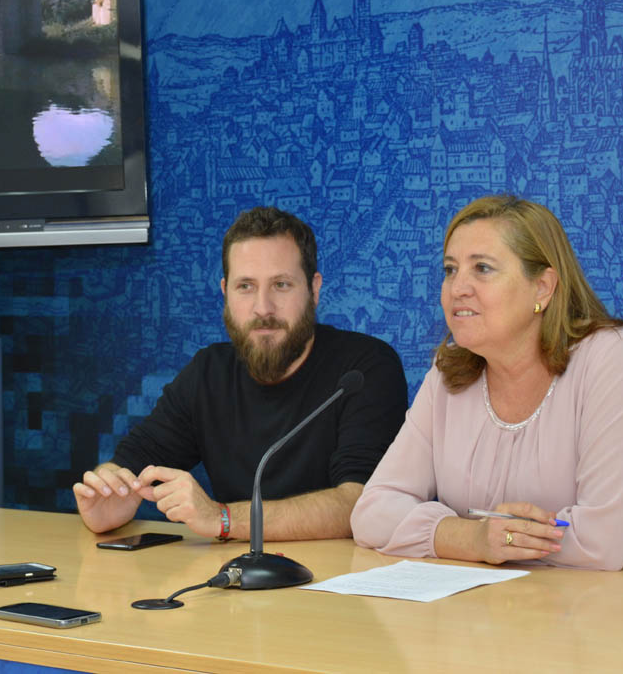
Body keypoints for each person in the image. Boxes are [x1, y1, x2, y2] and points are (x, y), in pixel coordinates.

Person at [351, 194, 623, 570]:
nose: (457, 287)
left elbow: (606, 542)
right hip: (496, 615)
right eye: (450, 269)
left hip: (620, 613)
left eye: (482, 268)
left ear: (542, 287)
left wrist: (493, 540)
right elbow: (371, 512)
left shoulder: (613, 358)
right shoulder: (449, 375)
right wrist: (472, 538)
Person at [74, 206, 408, 541]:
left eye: (281, 284)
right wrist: (107, 494)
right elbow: (130, 463)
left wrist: (223, 519)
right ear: (225, 292)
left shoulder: (364, 369)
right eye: (245, 286)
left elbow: (360, 504)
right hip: (237, 583)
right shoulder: (208, 373)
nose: (263, 308)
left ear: (314, 288)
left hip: (336, 583)